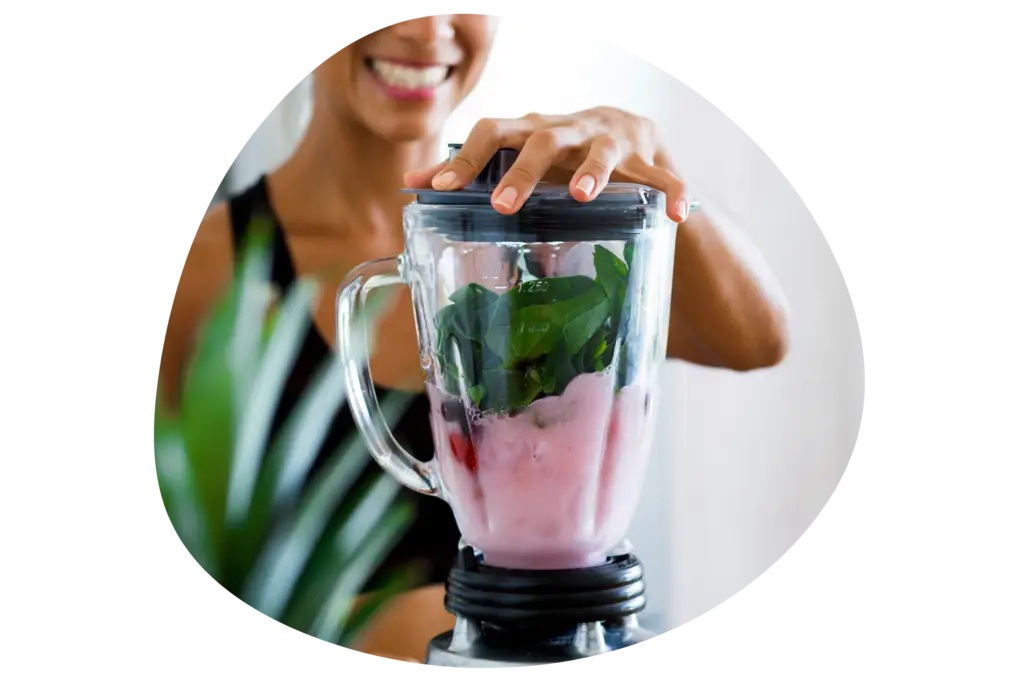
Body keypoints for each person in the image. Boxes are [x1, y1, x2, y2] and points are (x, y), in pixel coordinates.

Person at [161, 11, 790, 659]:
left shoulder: (539, 233)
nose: (428, 29)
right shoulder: (210, 268)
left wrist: (656, 173)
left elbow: (757, 339)